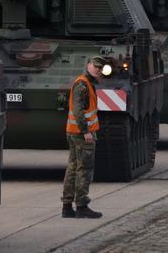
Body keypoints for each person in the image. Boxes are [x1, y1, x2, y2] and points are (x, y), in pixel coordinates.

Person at [61, 56, 108, 218]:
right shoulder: (82, 85)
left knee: (73, 168)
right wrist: (86, 131)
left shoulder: (86, 82)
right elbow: (78, 111)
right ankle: (81, 206)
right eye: (95, 66)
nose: (98, 70)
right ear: (88, 65)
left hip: (74, 132)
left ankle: (67, 207)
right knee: (84, 169)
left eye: (100, 68)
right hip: (82, 134)